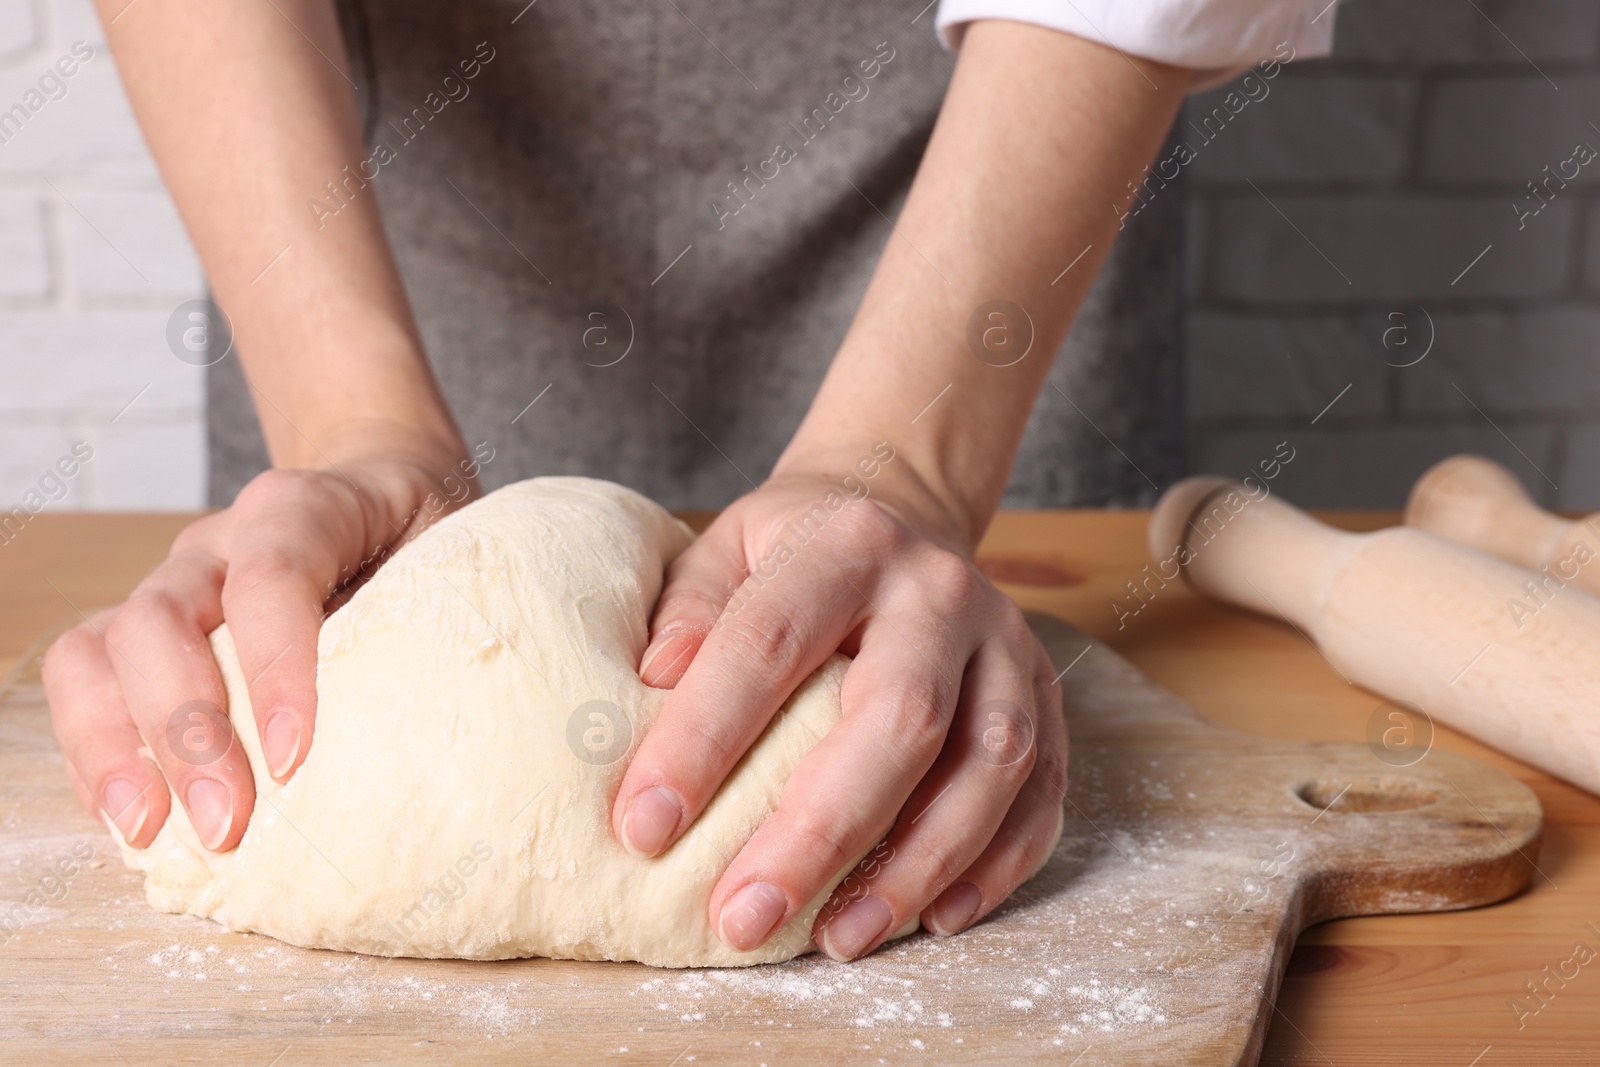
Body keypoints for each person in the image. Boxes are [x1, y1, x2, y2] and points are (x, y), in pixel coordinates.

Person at [43, 0, 1337, 962]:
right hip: (371, 210)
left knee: (907, 743)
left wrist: (908, 465)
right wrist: (347, 419)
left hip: (993, 189)